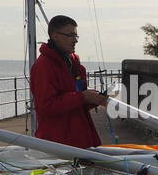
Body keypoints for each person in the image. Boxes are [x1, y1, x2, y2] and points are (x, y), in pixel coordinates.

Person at [29, 15, 108, 150]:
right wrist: (83, 96)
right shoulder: (44, 66)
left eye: (76, 36)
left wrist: (95, 99)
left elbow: (76, 101)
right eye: (70, 35)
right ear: (55, 36)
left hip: (80, 140)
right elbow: (46, 106)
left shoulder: (73, 63)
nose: (75, 40)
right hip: (59, 144)